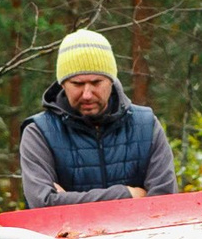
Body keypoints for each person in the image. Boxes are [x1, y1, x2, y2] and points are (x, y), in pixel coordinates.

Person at [18, 28, 177, 206]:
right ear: (62, 84)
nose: (87, 94)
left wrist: (65, 200)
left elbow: (164, 202)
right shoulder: (39, 132)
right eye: (77, 84)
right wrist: (127, 194)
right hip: (61, 235)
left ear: (111, 80)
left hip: (141, 234)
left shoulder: (146, 125)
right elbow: (43, 204)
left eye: (96, 83)